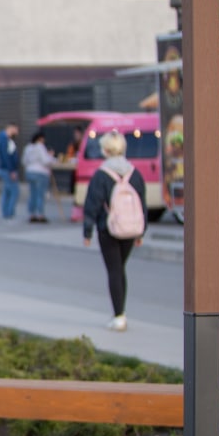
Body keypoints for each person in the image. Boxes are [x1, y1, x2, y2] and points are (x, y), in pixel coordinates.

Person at [82, 130, 146, 331]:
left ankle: (118, 316)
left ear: (106, 150)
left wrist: (87, 232)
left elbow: (92, 204)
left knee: (114, 270)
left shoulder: (101, 174)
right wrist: (141, 232)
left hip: (107, 228)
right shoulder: (135, 173)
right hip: (131, 229)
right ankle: (121, 312)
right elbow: (142, 204)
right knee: (121, 269)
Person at [22, 130, 58, 223]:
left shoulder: (28, 147)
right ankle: (40, 214)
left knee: (32, 194)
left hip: (30, 172)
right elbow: (45, 161)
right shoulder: (40, 147)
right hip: (40, 173)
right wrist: (51, 156)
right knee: (40, 195)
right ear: (41, 138)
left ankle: (31, 214)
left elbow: (24, 161)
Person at [0, 123, 21, 220]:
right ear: (11, 128)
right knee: (14, 191)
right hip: (7, 169)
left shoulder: (5, 139)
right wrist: (11, 170)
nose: (17, 132)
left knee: (7, 191)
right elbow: (5, 156)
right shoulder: (4, 139)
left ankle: (6, 212)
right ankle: (9, 212)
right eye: (16, 130)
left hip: (6, 169)